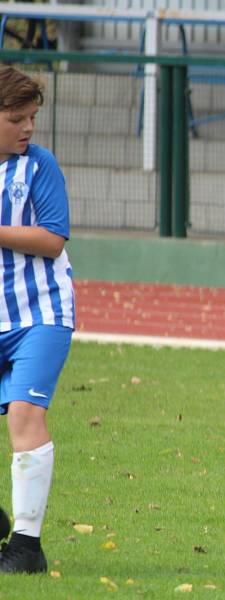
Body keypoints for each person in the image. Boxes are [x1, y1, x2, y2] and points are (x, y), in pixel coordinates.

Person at [0, 65, 75, 574]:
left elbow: (52, 239)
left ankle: (26, 547)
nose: (28, 128)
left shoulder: (39, 166)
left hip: (41, 314)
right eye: (15, 118)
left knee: (26, 415)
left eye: (32, 118)